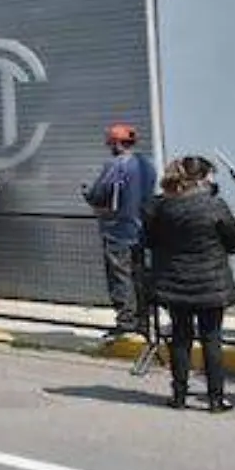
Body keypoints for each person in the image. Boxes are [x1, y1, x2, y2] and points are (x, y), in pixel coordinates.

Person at [143, 155, 235, 412]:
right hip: (210, 282)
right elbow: (234, 242)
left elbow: (149, 239)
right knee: (211, 339)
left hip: (175, 281)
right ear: (201, 178)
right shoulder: (214, 206)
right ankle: (216, 397)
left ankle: (178, 394)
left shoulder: (163, 207)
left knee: (180, 337)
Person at [84, 123, 156, 339]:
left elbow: (100, 193)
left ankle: (126, 319)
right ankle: (144, 318)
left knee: (120, 275)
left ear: (115, 143)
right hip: (142, 229)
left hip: (118, 229)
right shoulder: (147, 164)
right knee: (140, 274)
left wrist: (88, 193)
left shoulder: (116, 165)